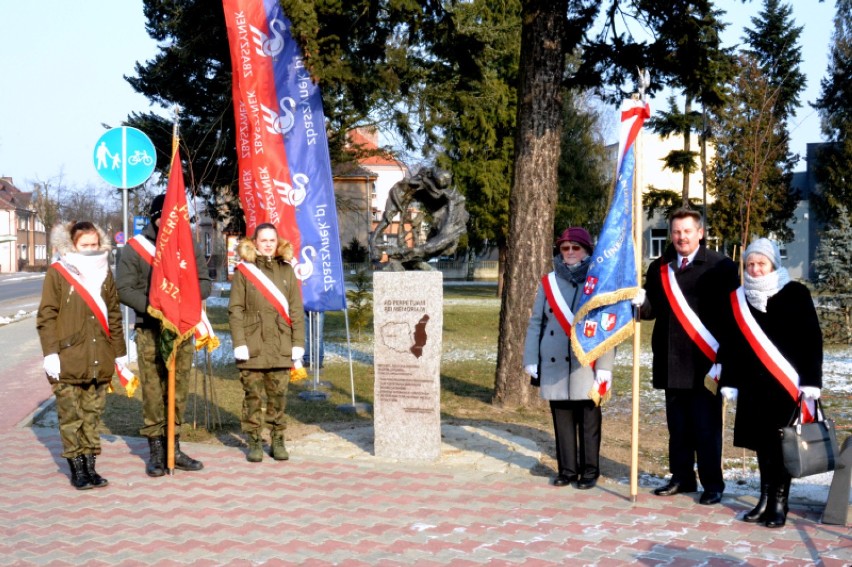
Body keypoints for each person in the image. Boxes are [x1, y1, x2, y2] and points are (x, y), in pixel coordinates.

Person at [633, 208, 738, 505]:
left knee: (706, 427)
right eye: (676, 232)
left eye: (687, 231)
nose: (681, 237)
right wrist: (641, 303)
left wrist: (726, 360)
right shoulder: (660, 268)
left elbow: (733, 319)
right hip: (671, 359)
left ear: (700, 233)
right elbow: (652, 312)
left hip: (706, 361)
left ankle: (712, 483)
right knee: (677, 427)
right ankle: (681, 477)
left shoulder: (721, 267)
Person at [717, 238, 822, 528]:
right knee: (762, 445)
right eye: (750, 263)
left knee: (782, 446)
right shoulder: (739, 298)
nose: (755, 268)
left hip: (786, 385)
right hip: (753, 386)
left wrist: (812, 381)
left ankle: (779, 503)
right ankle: (764, 500)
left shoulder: (796, 293)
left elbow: (812, 340)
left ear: (773, 264)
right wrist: (729, 380)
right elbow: (731, 342)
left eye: (761, 263)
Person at [116, 194, 211, 477]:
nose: (170, 220)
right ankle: (157, 452)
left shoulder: (189, 246)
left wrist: (183, 302)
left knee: (178, 389)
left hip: (181, 331)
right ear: (156, 216)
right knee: (154, 391)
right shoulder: (135, 249)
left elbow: (204, 283)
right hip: (150, 329)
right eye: (164, 215)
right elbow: (124, 288)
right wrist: (156, 307)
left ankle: (174, 447)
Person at [37, 221, 127, 490]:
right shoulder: (58, 273)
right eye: (84, 245)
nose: (90, 249)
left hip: (100, 358)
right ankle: (77, 468)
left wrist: (120, 354)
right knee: (71, 417)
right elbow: (47, 316)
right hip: (67, 359)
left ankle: (90, 466)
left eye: (94, 245)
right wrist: (50, 353)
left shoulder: (105, 273)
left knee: (92, 417)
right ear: (72, 246)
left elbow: (113, 315)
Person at [523, 227, 615, 489]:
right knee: (561, 418)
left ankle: (589, 471)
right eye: (565, 248)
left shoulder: (599, 281)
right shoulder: (548, 282)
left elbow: (606, 326)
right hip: (553, 359)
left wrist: (605, 366)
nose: (571, 252)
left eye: (576, 248)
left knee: (588, 420)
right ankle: (567, 470)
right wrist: (531, 357)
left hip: (587, 360)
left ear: (587, 251)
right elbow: (536, 322)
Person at [228, 223, 305, 462]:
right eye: (264, 240)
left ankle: (278, 439)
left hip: (281, 344)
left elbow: (296, 309)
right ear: (255, 242)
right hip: (252, 345)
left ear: (278, 242)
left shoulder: (287, 270)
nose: (269, 244)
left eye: (272, 240)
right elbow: (235, 310)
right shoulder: (244, 271)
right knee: (253, 397)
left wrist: (298, 342)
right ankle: (253, 440)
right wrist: (239, 342)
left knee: (279, 396)